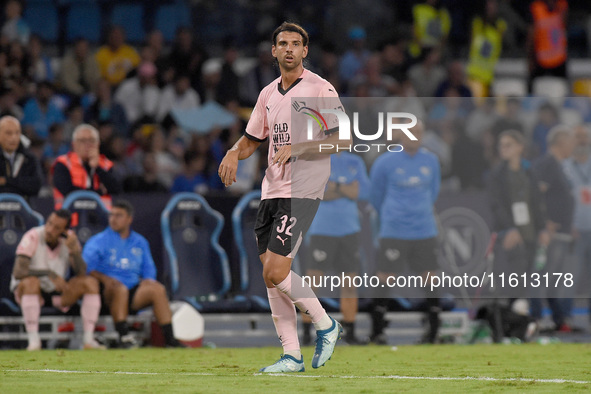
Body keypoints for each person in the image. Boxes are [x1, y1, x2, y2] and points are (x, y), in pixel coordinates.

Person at [218, 22, 349, 373]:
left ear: (305, 51)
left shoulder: (320, 89)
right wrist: (233, 151)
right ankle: (292, 355)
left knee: (277, 270)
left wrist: (301, 146)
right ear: (273, 51)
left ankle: (325, 324)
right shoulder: (267, 94)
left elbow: (343, 140)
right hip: (271, 188)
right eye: (282, 44)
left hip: (302, 189)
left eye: (296, 44)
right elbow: (251, 139)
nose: (289, 49)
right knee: (271, 275)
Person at [369, 121, 441, 344]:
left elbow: (433, 192)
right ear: (400, 135)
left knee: (430, 277)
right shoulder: (384, 162)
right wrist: (396, 216)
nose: (415, 136)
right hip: (394, 230)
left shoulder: (431, 161)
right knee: (385, 277)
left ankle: (433, 331)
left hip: (424, 230)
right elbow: (375, 196)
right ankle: (378, 331)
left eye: (419, 132)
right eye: (411, 132)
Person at [82, 200, 184, 348]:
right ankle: (124, 337)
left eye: (119, 215)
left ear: (129, 219)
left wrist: (148, 280)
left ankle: (170, 339)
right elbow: (87, 269)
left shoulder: (140, 242)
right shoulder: (97, 241)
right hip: (107, 292)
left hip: (133, 291)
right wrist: (105, 279)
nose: (113, 219)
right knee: (119, 289)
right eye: (111, 215)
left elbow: (149, 269)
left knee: (157, 289)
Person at [301, 151, 370, 345]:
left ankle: (350, 332)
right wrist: (346, 188)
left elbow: (362, 192)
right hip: (322, 229)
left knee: (349, 283)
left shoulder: (355, 161)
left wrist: (335, 186)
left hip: (349, 229)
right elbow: (316, 191)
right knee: (313, 283)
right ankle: (306, 333)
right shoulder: (316, 159)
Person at [10, 209, 103, 350]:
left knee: (90, 283)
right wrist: (48, 273)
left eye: (57, 228)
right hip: (31, 292)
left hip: (56, 293)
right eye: (49, 223)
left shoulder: (69, 240)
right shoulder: (33, 236)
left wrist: (75, 252)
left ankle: (88, 340)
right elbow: (18, 272)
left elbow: (81, 272)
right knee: (31, 282)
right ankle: (34, 341)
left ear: (65, 231)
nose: (50, 229)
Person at [487, 130, 549, 333]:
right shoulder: (497, 173)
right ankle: (514, 325)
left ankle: (526, 323)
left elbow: (536, 202)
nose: (503, 149)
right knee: (515, 280)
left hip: (530, 232)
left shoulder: (529, 171)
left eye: (508, 145)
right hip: (511, 235)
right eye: (501, 145)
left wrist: (542, 228)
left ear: (520, 147)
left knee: (530, 279)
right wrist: (508, 229)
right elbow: (496, 205)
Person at [531, 125, 575, 331]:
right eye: (571, 142)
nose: (573, 146)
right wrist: (544, 224)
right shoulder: (548, 164)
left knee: (552, 279)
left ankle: (557, 319)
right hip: (551, 233)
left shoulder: (558, 165)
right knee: (542, 277)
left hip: (561, 232)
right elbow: (536, 195)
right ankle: (536, 319)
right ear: (561, 142)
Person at [51, 124, 121, 209]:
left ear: (98, 143)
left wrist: (98, 168)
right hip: (70, 219)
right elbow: (68, 190)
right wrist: (98, 192)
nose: (88, 144)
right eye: (82, 141)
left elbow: (116, 189)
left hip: (100, 218)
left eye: (92, 140)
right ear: (74, 144)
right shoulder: (63, 163)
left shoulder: (106, 164)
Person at [562, 126, 591, 324]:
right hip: (575, 230)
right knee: (569, 275)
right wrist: (566, 224)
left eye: (584, 137)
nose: (581, 141)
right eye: (577, 137)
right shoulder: (564, 166)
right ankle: (564, 318)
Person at [466, 0, 507, 96]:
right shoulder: (477, 23)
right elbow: (471, 40)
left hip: (489, 74)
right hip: (475, 73)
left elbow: (501, 42)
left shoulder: (501, 26)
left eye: (493, 6)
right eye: (488, 7)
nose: (490, 9)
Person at [527, 0, 568, 91]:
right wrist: (530, 58)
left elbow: (565, 20)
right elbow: (531, 35)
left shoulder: (561, 6)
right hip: (541, 60)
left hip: (559, 59)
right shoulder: (537, 8)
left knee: (563, 90)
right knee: (532, 89)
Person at [0, 115, 42, 198]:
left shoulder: (29, 158)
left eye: (17, 132)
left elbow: (36, 186)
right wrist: (20, 185)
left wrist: (5, 181)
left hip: (24, 209)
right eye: (9, 133)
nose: (14, 138)